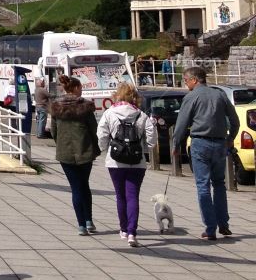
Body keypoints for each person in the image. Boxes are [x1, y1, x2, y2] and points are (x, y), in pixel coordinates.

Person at [171, 66, 240, 239]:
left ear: (194, 80)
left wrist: (176, 145)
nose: (185, 83)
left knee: (203, 186)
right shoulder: (220, 95)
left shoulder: (191, 97)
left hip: (200, 143)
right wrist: (231, 137)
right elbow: (235, 120)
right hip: (219, 144)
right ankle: (223, 224)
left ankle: (210, 228)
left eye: (186, 80)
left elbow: (181, 124)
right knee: (219, 184)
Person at [97, 82, 157, 247]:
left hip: (115, 161)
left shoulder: (110, 113)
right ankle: (132, 232)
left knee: (120, 195)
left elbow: (101, 134)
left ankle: (123, 229)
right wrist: (145, 147)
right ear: (134, 97)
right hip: (137, 162)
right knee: (133, 196)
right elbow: (152, 138)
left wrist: (103, 149)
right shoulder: (141, 115)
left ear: (118, 95)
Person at [50, 75, 100, 234]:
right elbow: (94, 129)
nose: (82, 89)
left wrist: (61, 144)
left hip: (65, 153)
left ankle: (81, 225)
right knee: (84, 185)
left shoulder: (56, 107)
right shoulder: (85, 107)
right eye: (81, 87)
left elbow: (53, 131)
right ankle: (88, 221)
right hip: (85, 151)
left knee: (76, 187)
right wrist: (95, 146)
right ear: (76, 88)